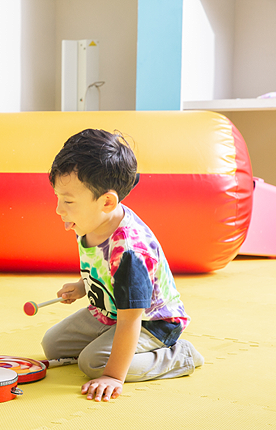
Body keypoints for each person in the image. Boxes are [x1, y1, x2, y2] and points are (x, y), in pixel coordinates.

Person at [41, 129, 203, 402]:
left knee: (93, 364)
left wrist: (114, 376)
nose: (59, 209)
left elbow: (131, 319)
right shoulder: (92, 219)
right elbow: (104, 268)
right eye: (58, 197)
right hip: (112, 311)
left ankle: (179, 356)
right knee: (53, 345)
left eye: (67, 201)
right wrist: (83, 287)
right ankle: (109, 344)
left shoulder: (129, 253)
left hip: (151, 322)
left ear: (106, 201)